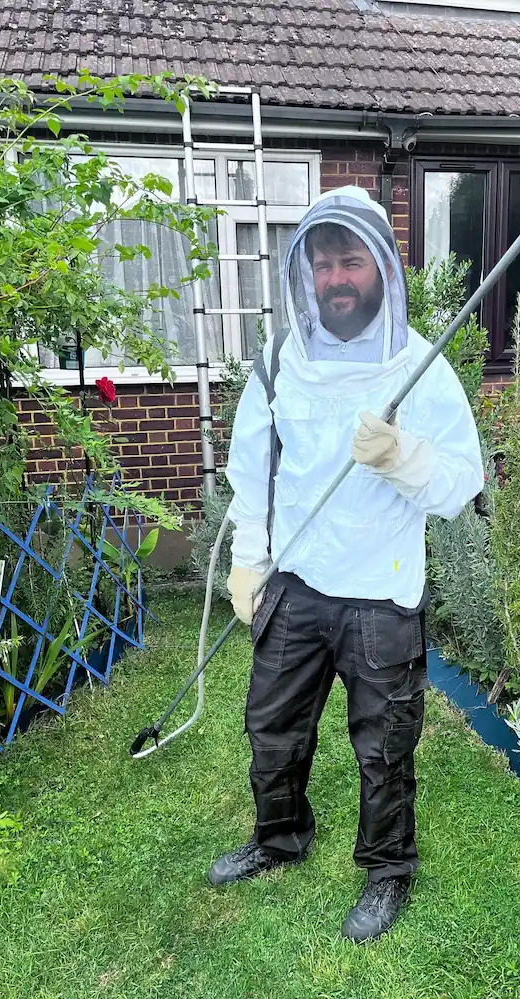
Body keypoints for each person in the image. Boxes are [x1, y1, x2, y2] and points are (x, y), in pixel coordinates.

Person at [208, 185, 483, 943]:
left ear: (383, 270)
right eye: (324, 261)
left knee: (384, 745)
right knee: (272, 726)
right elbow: (252, 471)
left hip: (382, 594)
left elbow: (462, 483)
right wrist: (248, 562)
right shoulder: (277, 365)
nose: (336, 276)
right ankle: (278, 837)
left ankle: (388, 869)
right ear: (304, 272)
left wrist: (404, 456)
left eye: (351, 260)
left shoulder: (420, 368)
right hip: (296, 585)